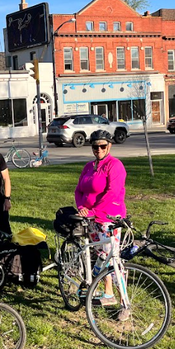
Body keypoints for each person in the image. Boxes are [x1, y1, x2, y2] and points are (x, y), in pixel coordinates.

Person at [74, 129, 126, 305]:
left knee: (112, 258)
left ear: (109, 146)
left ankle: (124, 301)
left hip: (109, 217)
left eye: (103, 146)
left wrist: (93, 211)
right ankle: (108, 293)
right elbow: (79, 189)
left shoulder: (115, 165)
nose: (99, 150)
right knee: (100, 254)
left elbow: (113, 192)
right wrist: (81, 207)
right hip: (90, 218)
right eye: (95, 147)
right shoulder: (89, 167)